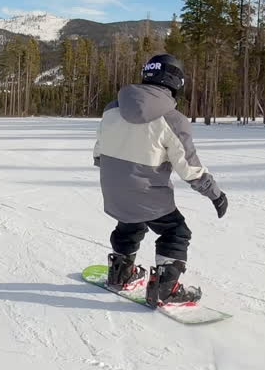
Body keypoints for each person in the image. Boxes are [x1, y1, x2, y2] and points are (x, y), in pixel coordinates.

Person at [93, 54, 228, 307]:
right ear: (175, 82)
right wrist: (215, 194)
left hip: (113, 188)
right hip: (145, 193)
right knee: (176, 231)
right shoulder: (173, 120)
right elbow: (189, 168)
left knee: (130, 221)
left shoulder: (112, 109)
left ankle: (121, 274)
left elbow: (99, 151)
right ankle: (166, 289)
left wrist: (116, 174)